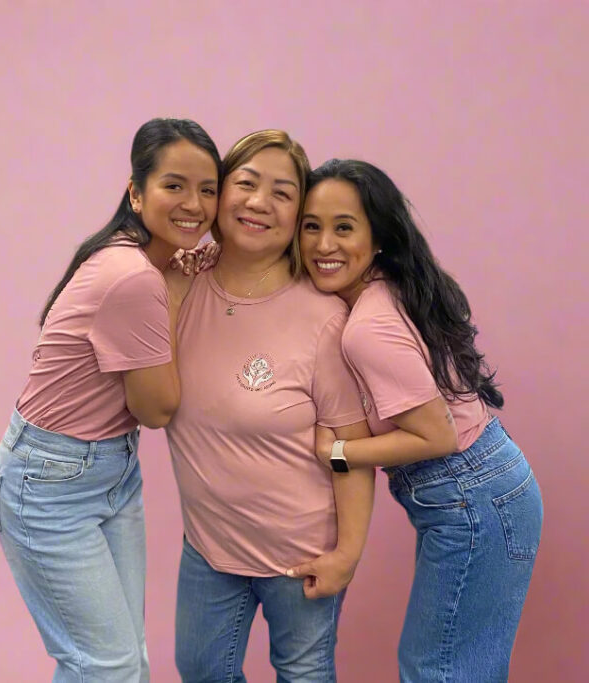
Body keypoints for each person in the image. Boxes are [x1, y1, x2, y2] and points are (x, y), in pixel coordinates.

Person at [293, 159, 543, 682]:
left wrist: (338, 452)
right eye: (311, 226)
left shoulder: (367, 326)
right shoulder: (389, 287)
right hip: (492, 484)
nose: (324, 244)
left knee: (438, 670)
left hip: (470, 496)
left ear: (378, 236)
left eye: (344, 227)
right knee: (459, 667)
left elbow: (436, 434)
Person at [0, 118, 221, 682]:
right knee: (108, 665)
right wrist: (176, 292)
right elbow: (156, 409)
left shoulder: (143, 264)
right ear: (135, 193)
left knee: (120, 662)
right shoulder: (136, 277)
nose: (194, 203)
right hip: (51, 481)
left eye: (209, 189)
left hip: (108, 471)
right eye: (174, 185)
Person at [166, 131, 376, 683]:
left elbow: (349, 449)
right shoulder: (178, 290)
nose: (260, 202)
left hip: (301, 557)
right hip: (209, 549)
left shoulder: (323, 319)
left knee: (303, 674)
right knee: (200, 669)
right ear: (218, 194)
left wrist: (346, 554)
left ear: (297, 218)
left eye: (284, 193)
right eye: (247, 183)